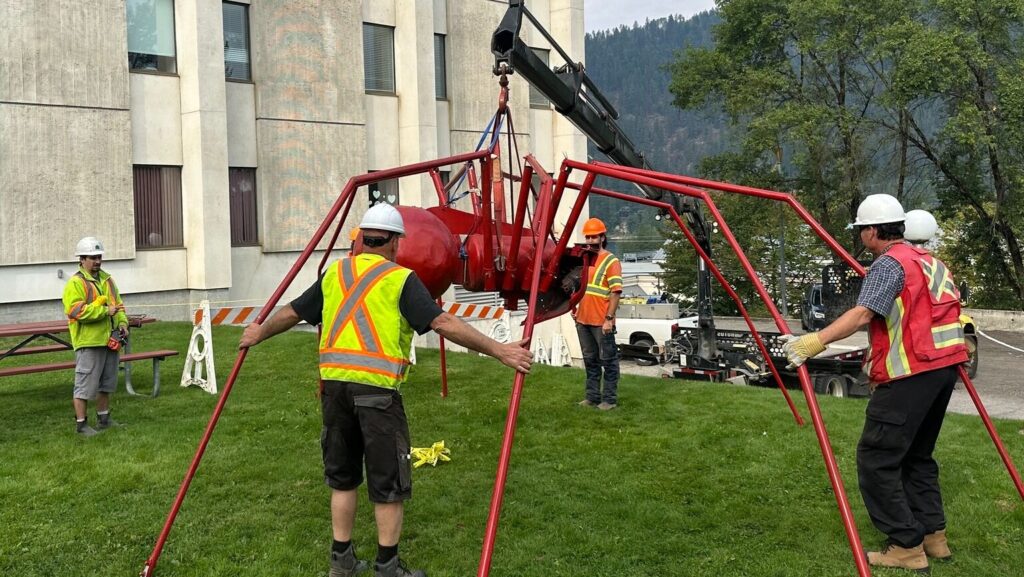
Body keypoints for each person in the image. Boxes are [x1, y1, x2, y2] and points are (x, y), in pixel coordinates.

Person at [239, 203, 533, 577]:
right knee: (388, 483)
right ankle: (387, 567)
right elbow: (442, 323)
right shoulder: (400, 279)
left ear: (362, 239)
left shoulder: (336, 273)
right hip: (377, 394)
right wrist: (500, 350)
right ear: (395, 242)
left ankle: (341, 561)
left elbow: (294, 311)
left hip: (335, 391)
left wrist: (259, 333)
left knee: (342, 479)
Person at [782, 194, 968, 573]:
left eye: (860, 230)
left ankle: (906, 545)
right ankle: (934, 537)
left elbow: (863, 314)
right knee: (917, 456)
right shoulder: (929, 261)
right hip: (943, 369)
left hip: (910, 374)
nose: (860, 236)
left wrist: (813, 341)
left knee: (876, 459)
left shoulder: (889, 264)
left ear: (871, 231)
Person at [62, 237, 129, 437]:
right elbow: (76, 311)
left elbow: (119, 305)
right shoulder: (75, 283)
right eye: (93, 258)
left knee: (106, 384)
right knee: (84, 386)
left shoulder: (108, 280)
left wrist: (123, 323)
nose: (97, 261)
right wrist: (104, 312)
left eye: (99, 257)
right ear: (82, 259)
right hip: (89, 342)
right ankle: (81, 425)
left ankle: (104, 419)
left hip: (110, 340)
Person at [573, 217, 623, 411]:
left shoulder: (611, 261)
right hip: (583, 319)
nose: (590, 240)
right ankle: (592, 397)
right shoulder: (584, 259)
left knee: (608, 361)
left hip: (601, 321)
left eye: (594, 237)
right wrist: (574, 309)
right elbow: (578, 287)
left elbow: (616, 292)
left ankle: (609, 400)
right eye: (588, 237)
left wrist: (609, 320)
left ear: (602, 237)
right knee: (590, 361)